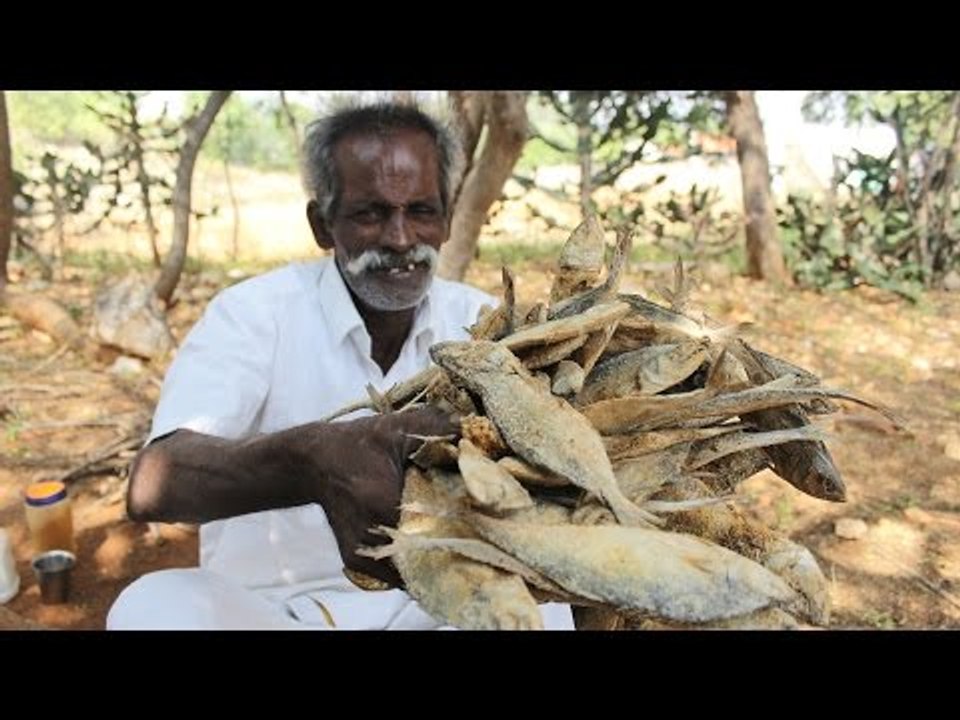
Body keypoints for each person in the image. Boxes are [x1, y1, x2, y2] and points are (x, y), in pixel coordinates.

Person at [106, 101, 574, 630]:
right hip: (276, 612)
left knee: (547, 611)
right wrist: (311, 459)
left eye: (420, 211)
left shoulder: (481, 324)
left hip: (440, 607)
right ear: (323, 225)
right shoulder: (254, 315)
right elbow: (153, 485)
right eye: (370, 213)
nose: (401, 240)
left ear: (446, 218)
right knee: (152, 607)